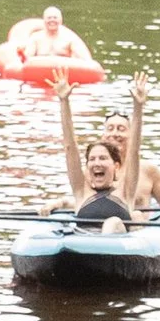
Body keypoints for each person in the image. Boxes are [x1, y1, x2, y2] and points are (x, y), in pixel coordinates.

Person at [53, 67, 147, 225]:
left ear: (116, 166)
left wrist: (138, 106)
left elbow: (134, 151)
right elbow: (69, 147)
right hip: (84, 238)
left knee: (113, 223)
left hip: (117, 235)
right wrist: (64, 101)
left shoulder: (125, 192)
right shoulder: (81, 192)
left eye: (103, 158)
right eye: (92, 159)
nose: (97, 163)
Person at [96, 104, 160, 208]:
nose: (115, 134)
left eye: (121, 129)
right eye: (110, 129)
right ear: (102, 136)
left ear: (132, 136)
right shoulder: (92, 170)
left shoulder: (148, 170)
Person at [21, 4, 94, 65]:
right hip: (40, 73)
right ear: (44, 20)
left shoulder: (70, 39)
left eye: (55, 18)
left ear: (61, 20)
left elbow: (86, 60)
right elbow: (26, 60)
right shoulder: (36, 38)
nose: (52, 20)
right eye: (49, 18)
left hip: (64, 74)